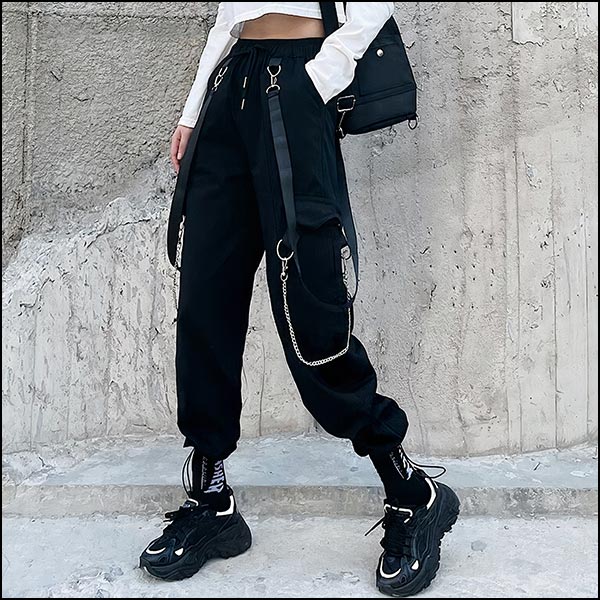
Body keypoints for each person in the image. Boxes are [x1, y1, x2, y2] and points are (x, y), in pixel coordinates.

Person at [140, 3, 459, 596]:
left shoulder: (311, 78)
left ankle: (412, 493)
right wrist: (193, 108)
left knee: (309, 306)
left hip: (295, 82)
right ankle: (211, 501)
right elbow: (228, 15)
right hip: (231, 87)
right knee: (205, 300)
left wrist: (321, 76)